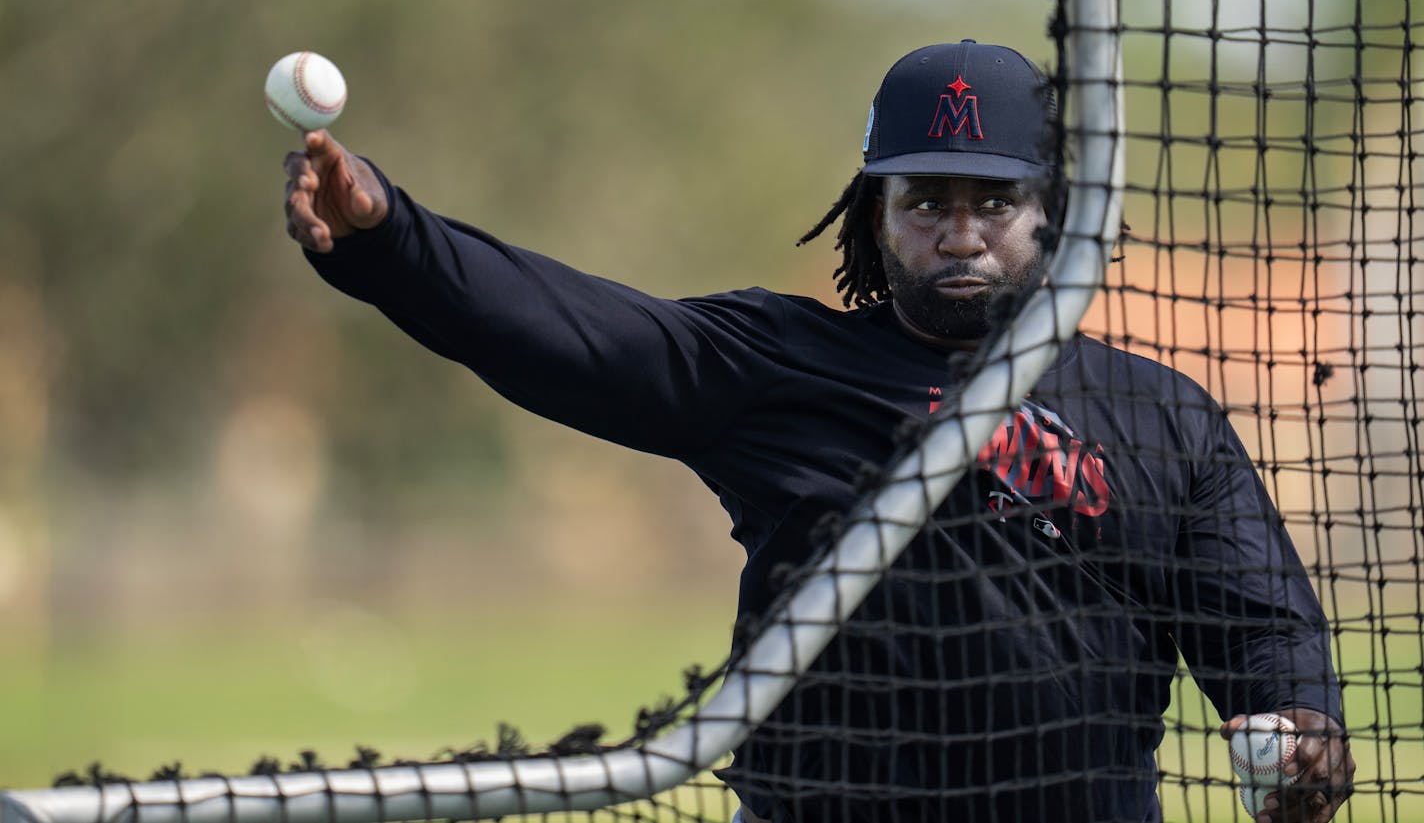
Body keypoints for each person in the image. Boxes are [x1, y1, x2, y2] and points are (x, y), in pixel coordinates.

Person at [282, 41, 1354, 823]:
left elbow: (1259, 628)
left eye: (992, 202)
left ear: (1051, 213)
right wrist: (388, 238)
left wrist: (1299, 734)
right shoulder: (776, 364)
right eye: (923, 201)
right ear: (872, 214)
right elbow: (567, 330)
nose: (959, 232)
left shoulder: (1157, 414)